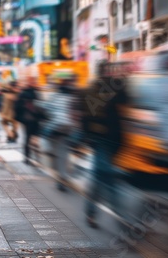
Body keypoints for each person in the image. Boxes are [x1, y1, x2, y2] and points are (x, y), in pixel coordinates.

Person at [81, 61, 128, 228]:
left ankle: (91, 213)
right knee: (109, 178)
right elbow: (86, 116)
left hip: (106, 141)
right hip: (104, 141)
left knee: (99, 178)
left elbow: (84, 117)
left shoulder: (104, 89)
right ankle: (124, 220)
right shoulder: (102, 90)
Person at [44, 77, 78, 191]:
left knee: (58, 154)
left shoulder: (54, 96)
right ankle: (63, 177)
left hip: (55, 128)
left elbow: (47, 109)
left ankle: (61, 178)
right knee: (63, 153)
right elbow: (75, 114)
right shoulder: (72, 97)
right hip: (67, 128)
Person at [14, 76, 45, 163]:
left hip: (27, 119)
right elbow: (41, 106)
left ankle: (28, 157)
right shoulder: (36, 93)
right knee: (33, 138)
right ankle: (33, 156)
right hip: (33, 119)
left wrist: (19, 118)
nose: (34, 83)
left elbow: (17, 107)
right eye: (33, 81)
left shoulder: (23, 93)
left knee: (28, 138)